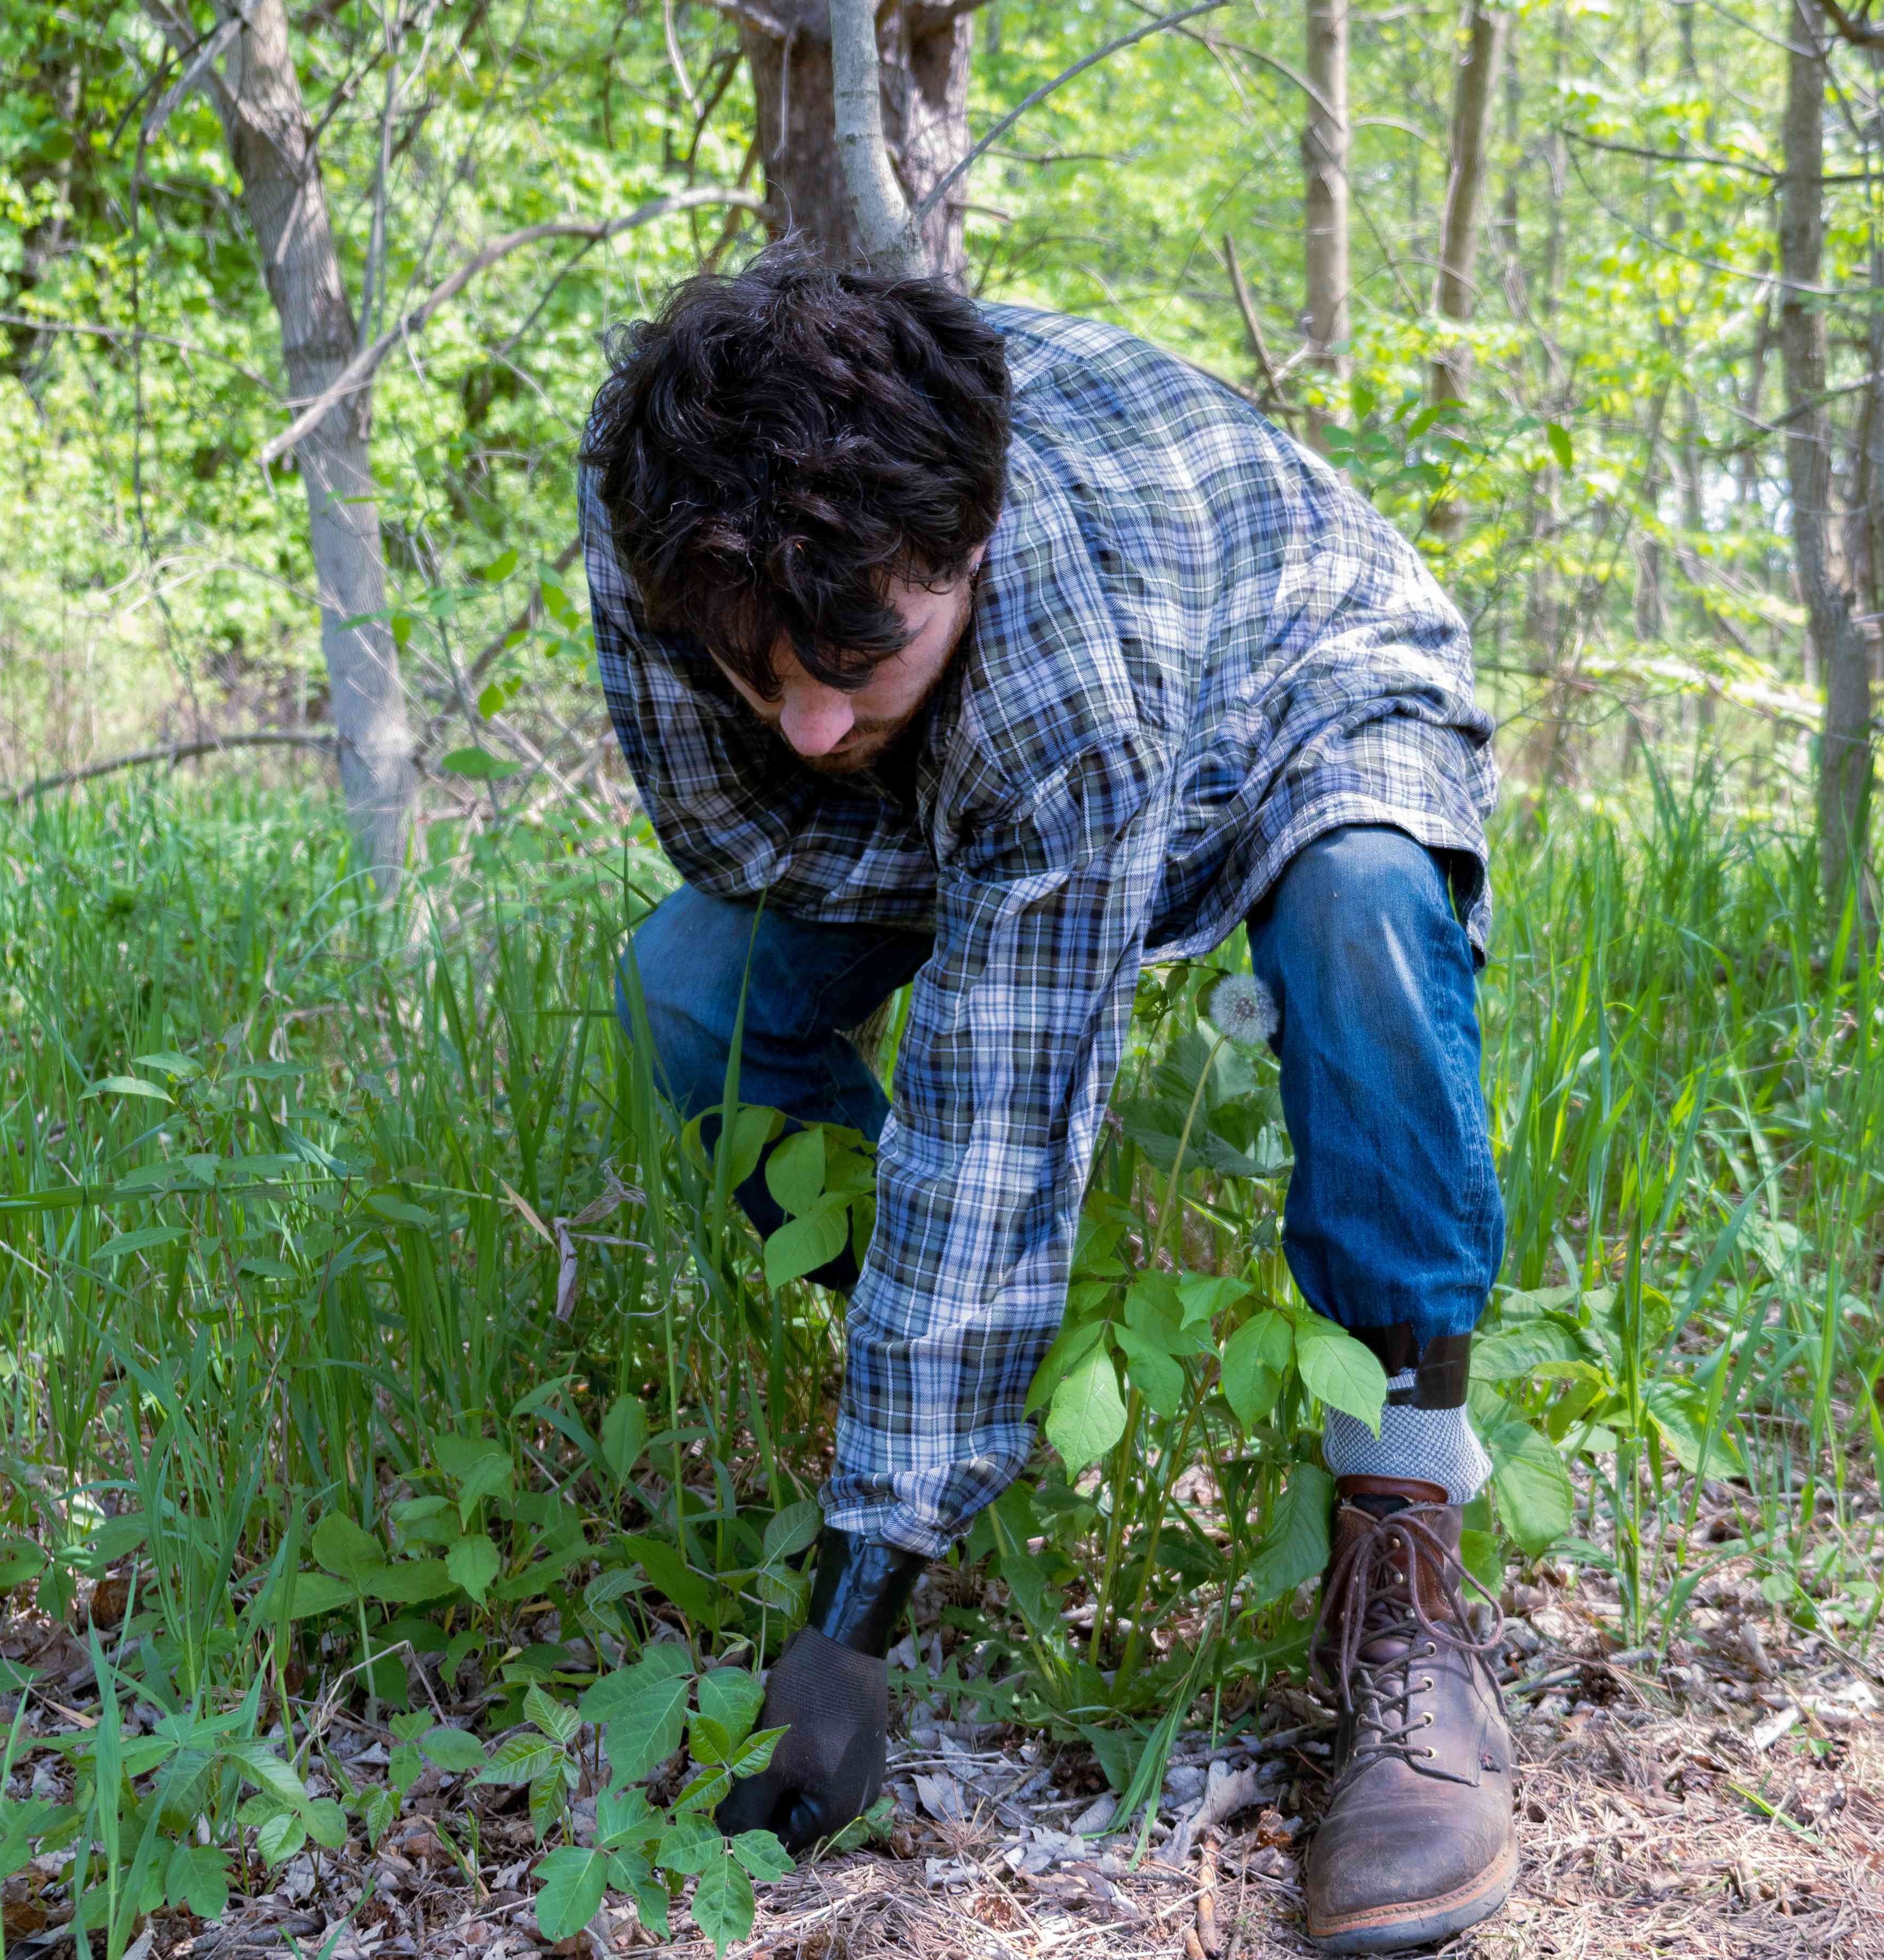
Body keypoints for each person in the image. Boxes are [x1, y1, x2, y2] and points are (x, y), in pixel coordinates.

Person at [581, 243, 1515, 1952]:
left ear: (971, 545)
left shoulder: (1061, 668)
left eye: (855, 657)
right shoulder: (671, 503)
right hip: (985, 729)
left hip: (1284, 675)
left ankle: (1405, 1578)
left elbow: (996, 1128)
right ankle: (978, 1416)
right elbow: (767, 786)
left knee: (1365, 903)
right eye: (753, 665)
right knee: (694, 991)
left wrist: (851, 1615)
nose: (796, 723)